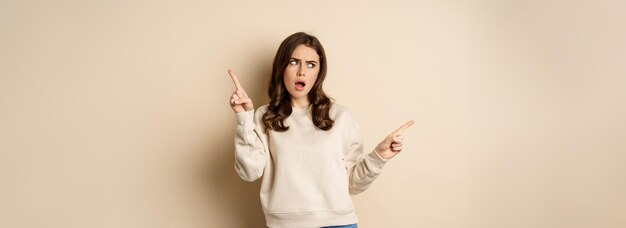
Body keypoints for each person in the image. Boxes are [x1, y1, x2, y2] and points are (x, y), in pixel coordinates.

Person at [227, 32, 413, 228]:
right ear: (281, 67)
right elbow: (249, 172)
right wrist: (244, 118)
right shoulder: (265, 116)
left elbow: (352, 184)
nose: (301, 71)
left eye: (310, 64)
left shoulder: (341, 117)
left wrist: (379, 156)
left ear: (319, 72)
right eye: (293, 62)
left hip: (339, 224)